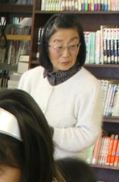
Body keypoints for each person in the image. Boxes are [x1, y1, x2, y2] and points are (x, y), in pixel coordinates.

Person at [19, 13, 102, 160]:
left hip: (67, 170)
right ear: (46, 46)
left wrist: (51, 132)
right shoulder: (30, 78)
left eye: (72, 46)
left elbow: (88, 134)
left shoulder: (89, 85)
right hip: (30, 164)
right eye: (59, 47)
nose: (66, 54)